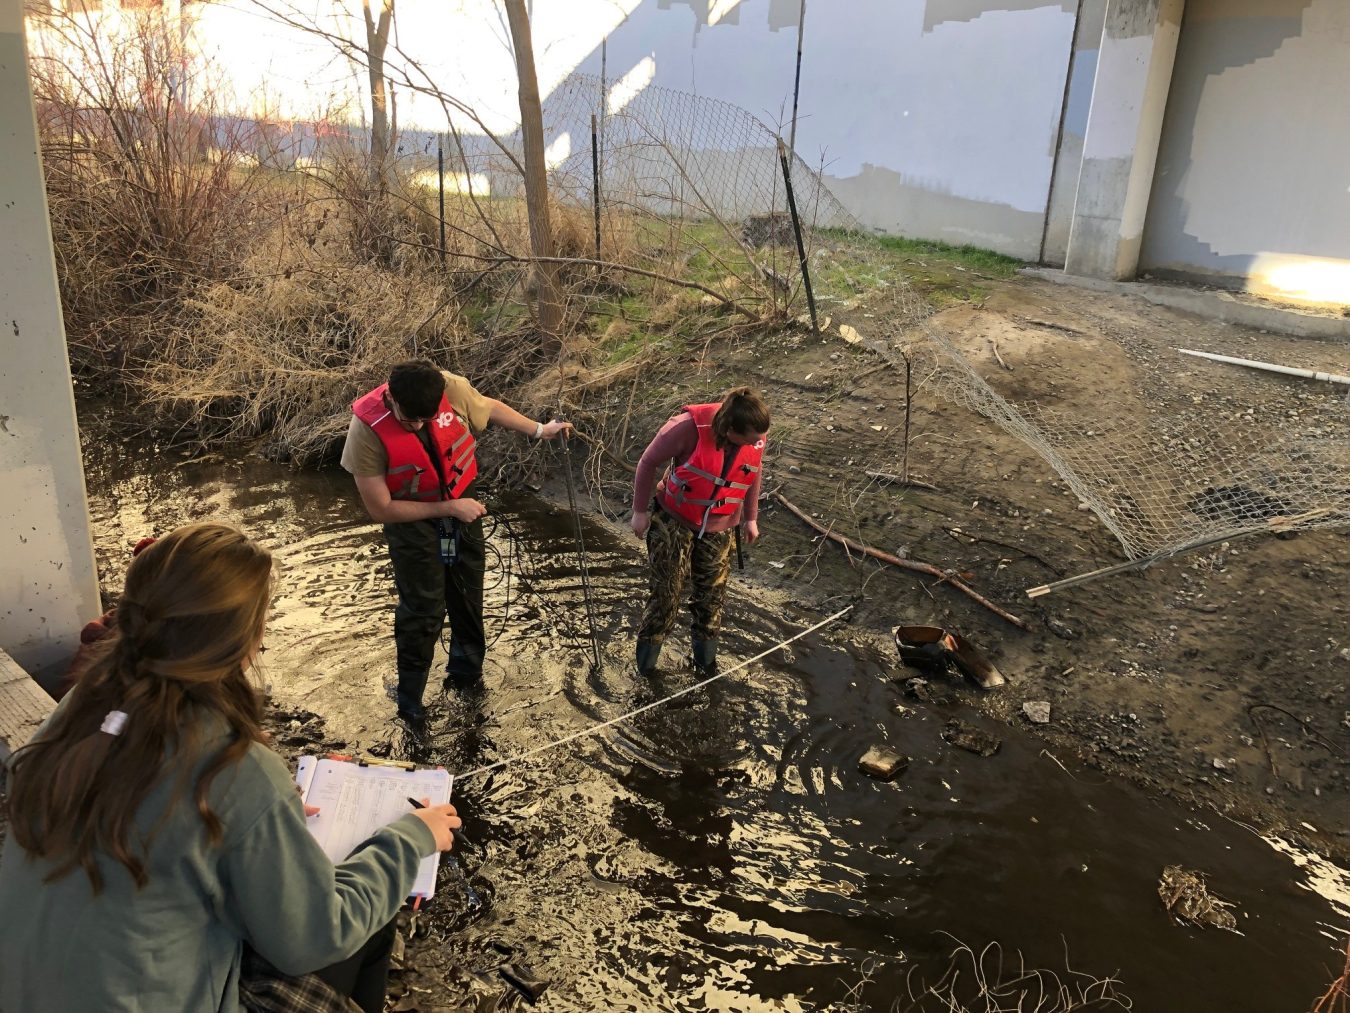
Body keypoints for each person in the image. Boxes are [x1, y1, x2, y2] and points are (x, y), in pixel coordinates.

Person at [0, 523, 462, 1013]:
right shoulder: (237, 770)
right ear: (247, 639)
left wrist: (257, 822)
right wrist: (410, 838)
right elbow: (314, 939)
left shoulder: (84, 701)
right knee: (370, 918)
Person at [341, 359, 570, 726]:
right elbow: (380, 508)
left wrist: (540, 429)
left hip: (460, 506)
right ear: (391, 397)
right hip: (412, 520)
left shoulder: (453, 388)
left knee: (466, 592)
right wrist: (449, 507)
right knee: (423, 610)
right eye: (409, 420)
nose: (417, 427)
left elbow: (488, 407)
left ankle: (466, 675)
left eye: (425, 420)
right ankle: (410, 703)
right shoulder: (366, 431)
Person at [630, 387, 771, 675]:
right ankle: (646, 673)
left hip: (721, 525)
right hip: (674, 519)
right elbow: (647, 463)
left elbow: (751, 471)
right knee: (666, 599)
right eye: (751, 439)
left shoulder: (755, 436)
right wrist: (639, 513)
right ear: (731, 430)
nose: (758, 443)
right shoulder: (685, 428)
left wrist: (750, 518)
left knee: (711, 600)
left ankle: (705, 668)